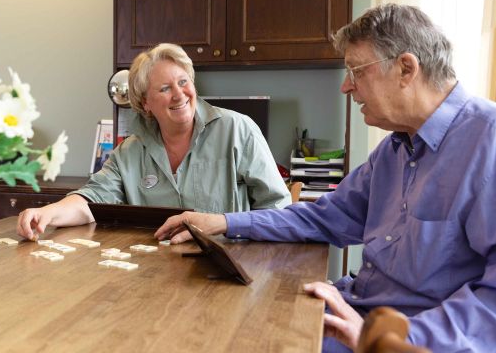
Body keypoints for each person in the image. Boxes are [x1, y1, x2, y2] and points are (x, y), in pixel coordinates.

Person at [155, 4, 496, 353]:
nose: (346, 86)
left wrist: (384, 339)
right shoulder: (395, 149)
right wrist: (224, 221)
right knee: (230, 319)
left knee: (237, 348)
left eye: (356, 71)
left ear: (406, 68)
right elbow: (321, 216)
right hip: (367, 316)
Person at [17, 43, 291, 240]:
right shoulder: (130, 151)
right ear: (145, 103)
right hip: (156, 270)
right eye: (164, 88)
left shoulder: (237, 129)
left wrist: (229, 230)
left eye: (183, 82)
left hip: (230, 265)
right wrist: (49, 213)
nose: (179, 95)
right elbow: (91, 202)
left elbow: (279, 210)